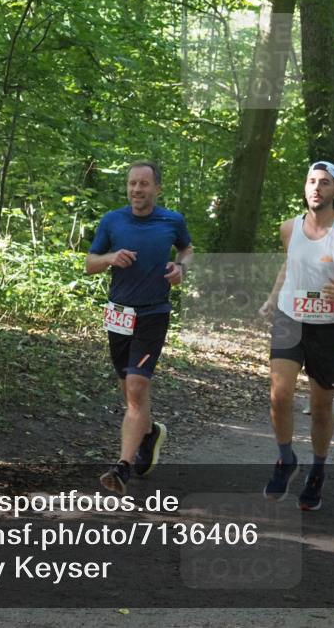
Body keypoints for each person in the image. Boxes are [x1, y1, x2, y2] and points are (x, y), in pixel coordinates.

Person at [258, 161, 334, 511]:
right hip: (290, 319)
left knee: (321, 409)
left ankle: (318, 469)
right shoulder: (288, 228)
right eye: (310, 181)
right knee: (280, 395)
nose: (316, 188)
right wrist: (272, 298)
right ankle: (285, 459)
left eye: (324, 183)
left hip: (329, 329)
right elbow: (290, 264)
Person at [85, 161, 193, 495]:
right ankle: (149, 434)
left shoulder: (172, 221)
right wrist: (110, 258)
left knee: (135, 388)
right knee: (131, 391)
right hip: (118, 315)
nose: (136, 190)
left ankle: (122, 467)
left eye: (144, 184)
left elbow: (187, 250)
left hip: (153, 314)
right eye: (132, 184)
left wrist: (181, 268)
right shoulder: (112, 220)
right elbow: (90, 264)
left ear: (157, 188)